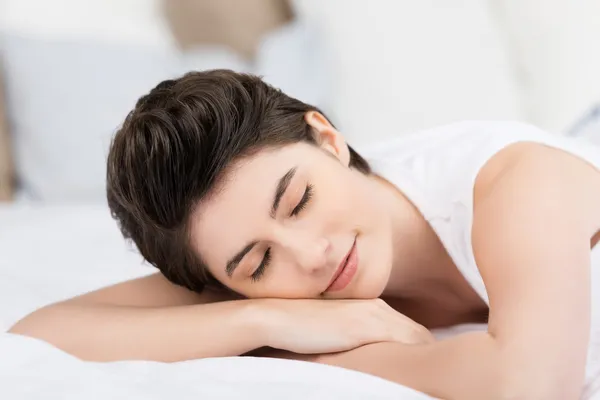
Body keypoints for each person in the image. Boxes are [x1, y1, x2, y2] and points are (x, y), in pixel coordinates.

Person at [8, 69, 600, 400]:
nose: (310, 255)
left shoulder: (519, 182)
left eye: (299, 201)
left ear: (328, 138)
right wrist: (260, 323)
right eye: (257, 264)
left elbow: (525, 388)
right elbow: (40, 334)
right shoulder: (249, 271)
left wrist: (333, 359)